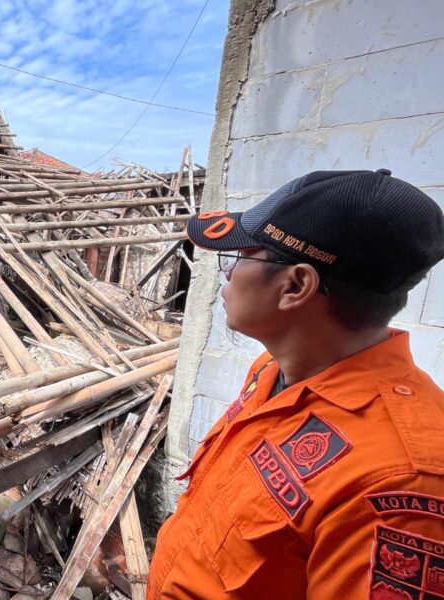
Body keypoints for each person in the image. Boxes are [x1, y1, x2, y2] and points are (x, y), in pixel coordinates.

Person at [147, 169, 444, 598]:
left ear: (295, 285)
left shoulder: (401, 478)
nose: (227, 275)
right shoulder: (273, 372)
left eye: (239, 257)